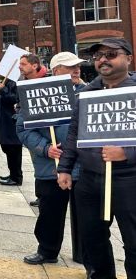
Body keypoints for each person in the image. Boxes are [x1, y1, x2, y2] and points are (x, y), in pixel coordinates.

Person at [58, 38, 136, 278]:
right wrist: (65, 167)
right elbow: (74, 132)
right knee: (92, 239)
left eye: (111, 54)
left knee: (133, 241)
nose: (103, 59)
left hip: (129, 180)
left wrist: (128, 153)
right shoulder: (87, 93)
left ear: (129, 58)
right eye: (98, 55)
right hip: (90, 180)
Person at [17, 51, 85, 266]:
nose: (77, 70)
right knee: (49, 214)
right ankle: (47, 250)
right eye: (70, 66)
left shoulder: (89, 92)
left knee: (88, 215)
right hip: (51, 167)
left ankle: (88, 254)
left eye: (78, 66)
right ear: (56, 71)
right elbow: (23, 129)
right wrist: (45, 148)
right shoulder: (37, 93)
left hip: (84, 167)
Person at [19, 53, 46, 207]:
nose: (20, 67)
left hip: (46, 133)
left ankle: (45, 195)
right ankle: (41, 195)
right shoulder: (24, 82)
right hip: (32, 132)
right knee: (37, 163)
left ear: (34, 65)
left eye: (23, 64)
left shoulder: (45, 81)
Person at [0, 59, 23, 186]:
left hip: (11, 124)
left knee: (14, 152)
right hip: (1, 124)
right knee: (7, 150)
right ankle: (12, 173)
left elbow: (15, 99)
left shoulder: (12, 84)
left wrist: (3, 90)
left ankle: (16, 177)